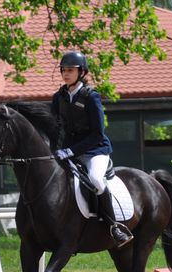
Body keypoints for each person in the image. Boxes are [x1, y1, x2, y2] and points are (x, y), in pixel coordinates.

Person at [51, 51, 133, 248]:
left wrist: (71, 151)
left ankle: (114, 226)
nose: (66, 74)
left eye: (70, 70)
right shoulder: (58, 97)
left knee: (95, 179)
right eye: (63, 70)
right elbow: (55, 127)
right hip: (68, 151)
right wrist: (55, 148)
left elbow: (97, 133)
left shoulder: (91, 97)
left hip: (95, 150)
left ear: (82, 72)